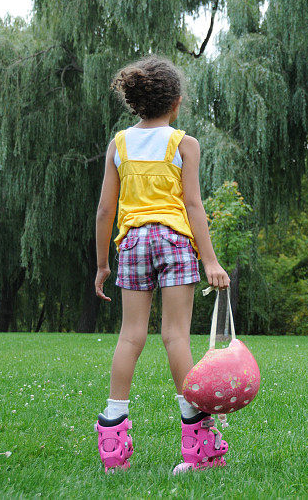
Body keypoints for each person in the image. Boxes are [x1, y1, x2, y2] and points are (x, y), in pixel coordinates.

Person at [93, 56, 231, 474]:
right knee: (175, 338)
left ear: (135, 102)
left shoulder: (119, 144)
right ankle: (200, 446)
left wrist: (102, 265)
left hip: (132, 242)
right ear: (176, 101)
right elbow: (192, 205)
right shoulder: (184, 144)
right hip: (172, 241)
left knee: (130, 336)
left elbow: (105, 209)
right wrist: (210, 260)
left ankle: (113, 443)